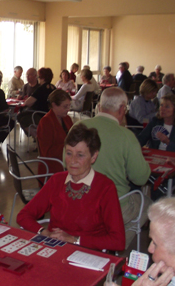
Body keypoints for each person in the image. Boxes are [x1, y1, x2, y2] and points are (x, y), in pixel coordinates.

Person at [17, 124, 126, 252]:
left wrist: (75, 239)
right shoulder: (57, 181)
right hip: (54, 250)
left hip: (87, 254)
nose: (73, 161)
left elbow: (118, 241)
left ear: (94, 156)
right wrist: (43, 232)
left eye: (80, 155)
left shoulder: (105, 187)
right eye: (69, 153)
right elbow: (23, 215)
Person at [79, 87, 151, 248]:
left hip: (79, 199)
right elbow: (140, 178)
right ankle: (115, 243)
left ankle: (103, 241)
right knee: (147, 204)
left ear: (99, 106)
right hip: (115, 204)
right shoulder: (126, 136)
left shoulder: (78, 127)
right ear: (122, 109)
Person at [36, 89, 73, 176]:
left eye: (69, 106)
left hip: (65, 162)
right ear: (54, 105)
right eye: (65, 106)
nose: (68, 109)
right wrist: (70, 147)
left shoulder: (67, 119)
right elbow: (47, 152)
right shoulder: (45, 122)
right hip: (52, 168)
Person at [18, 67, 56, 137]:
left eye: (39, 77)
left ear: (42, 78)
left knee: (20, 117)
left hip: (40, 115)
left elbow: (28, 102)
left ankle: (37, 137)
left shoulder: (41, 89)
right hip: (52, 115)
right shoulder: (53, 88)